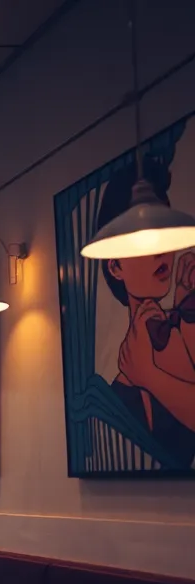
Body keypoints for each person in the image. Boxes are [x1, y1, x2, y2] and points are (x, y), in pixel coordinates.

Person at [97, 159, 195, 467]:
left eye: (164, 232)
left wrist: (150, 376)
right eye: (143, 239)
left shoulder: (181, 327)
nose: (160, 249)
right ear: (114, 266)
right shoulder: (120, 394)